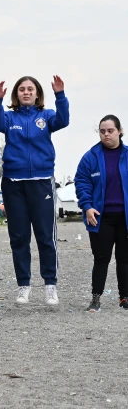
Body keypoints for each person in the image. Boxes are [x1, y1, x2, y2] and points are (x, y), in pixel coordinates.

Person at [0, 75, 69, 305]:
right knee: (19, 237)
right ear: (16, 94)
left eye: (30, 89)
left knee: (45, 236)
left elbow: (63, 120)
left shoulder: (46, 116)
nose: (26, 92)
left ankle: (50, 285)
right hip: (13, 182)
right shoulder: (9, 117)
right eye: (22, 89)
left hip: (41, 181)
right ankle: (23, 285)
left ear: (37, 94)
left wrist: (60, 95)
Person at [75, 115, 128, 312]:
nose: (106, 134)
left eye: (110, 131)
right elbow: (82, 183)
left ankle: (125, 298)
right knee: (101, 259)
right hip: (100, 217)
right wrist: (87, 206)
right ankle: (96, 298)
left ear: (119, 131)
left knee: (124, 260)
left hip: (125, 218)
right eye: (102, 131)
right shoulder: (90, 157)